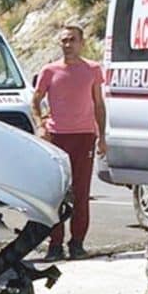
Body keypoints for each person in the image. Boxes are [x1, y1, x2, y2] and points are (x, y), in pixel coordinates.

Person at [30, 25, 107, 260]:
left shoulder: (92, 70)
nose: (67, 44)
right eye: (64, 40)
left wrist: (102, 137)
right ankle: (55, 245)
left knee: (81, 193)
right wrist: (41, 124)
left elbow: (99, 104)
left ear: (81, 43)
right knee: (57, 193)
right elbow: (35, 101)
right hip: (57, 137)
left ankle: (77, 244)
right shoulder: (49, 71)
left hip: (84, 136)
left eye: (72, 40)